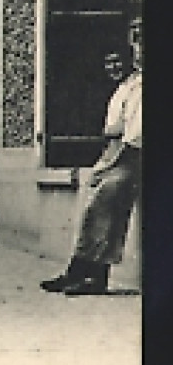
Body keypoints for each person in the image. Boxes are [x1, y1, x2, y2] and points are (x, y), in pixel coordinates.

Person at [41, 18, 143, 296]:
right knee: (93, 215)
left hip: (128, 158)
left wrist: (110, 159)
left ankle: (95, 278)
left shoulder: (139, 86)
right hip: (113, 156)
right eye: (109, 63)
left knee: (105, 216)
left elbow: (130, 132)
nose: (114, 68)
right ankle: (78, 272)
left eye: (118, 62)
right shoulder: (121, 89)